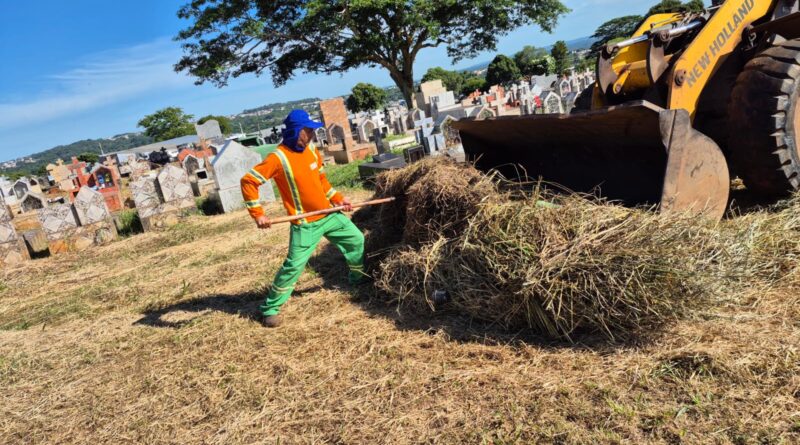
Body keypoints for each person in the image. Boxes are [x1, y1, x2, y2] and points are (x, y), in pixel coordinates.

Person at [240, 109, 366, 328]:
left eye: (311, 130)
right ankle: (270, 309)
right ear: (295, 131)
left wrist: (337, 198)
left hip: (329, 214)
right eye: (307, 130)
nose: (311, 135)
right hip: (305, 223)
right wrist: (258, 214)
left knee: (356, 239)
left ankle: (357, 280)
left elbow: (321, 181)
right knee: (294, 266)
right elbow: (249, 181)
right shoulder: (278, 158)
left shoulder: (312, 151)